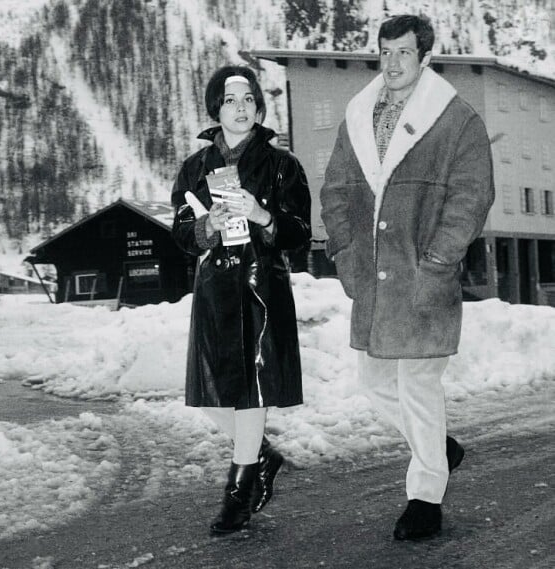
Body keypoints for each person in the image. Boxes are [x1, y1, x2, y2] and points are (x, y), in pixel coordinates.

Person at [320, 14, 494, 540]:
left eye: (402, 52)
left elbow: (472, 195)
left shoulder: (455, 119)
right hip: (373, 280)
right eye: (385, 51)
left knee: (419, 386)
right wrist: (347, 254)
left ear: (424, 58)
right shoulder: (357, 115)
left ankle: (424, 498)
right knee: (374, 382)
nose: (391, 62)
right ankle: (437, 445)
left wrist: (440, 258)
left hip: (423, 278)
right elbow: (334, 192)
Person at [171, 65, 311, 535]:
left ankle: (238, 491)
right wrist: (204, 228)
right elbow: (180, 234)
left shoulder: (282, 165)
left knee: (252, 389)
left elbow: (299, 234)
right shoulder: (194, 167)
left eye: (248, 99)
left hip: (262, 289)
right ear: (216, 108)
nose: (240, 108)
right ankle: (263, 456)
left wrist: (262, 214)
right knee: (210, 389)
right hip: (214, 288)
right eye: (230, 100)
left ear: (258, 106)